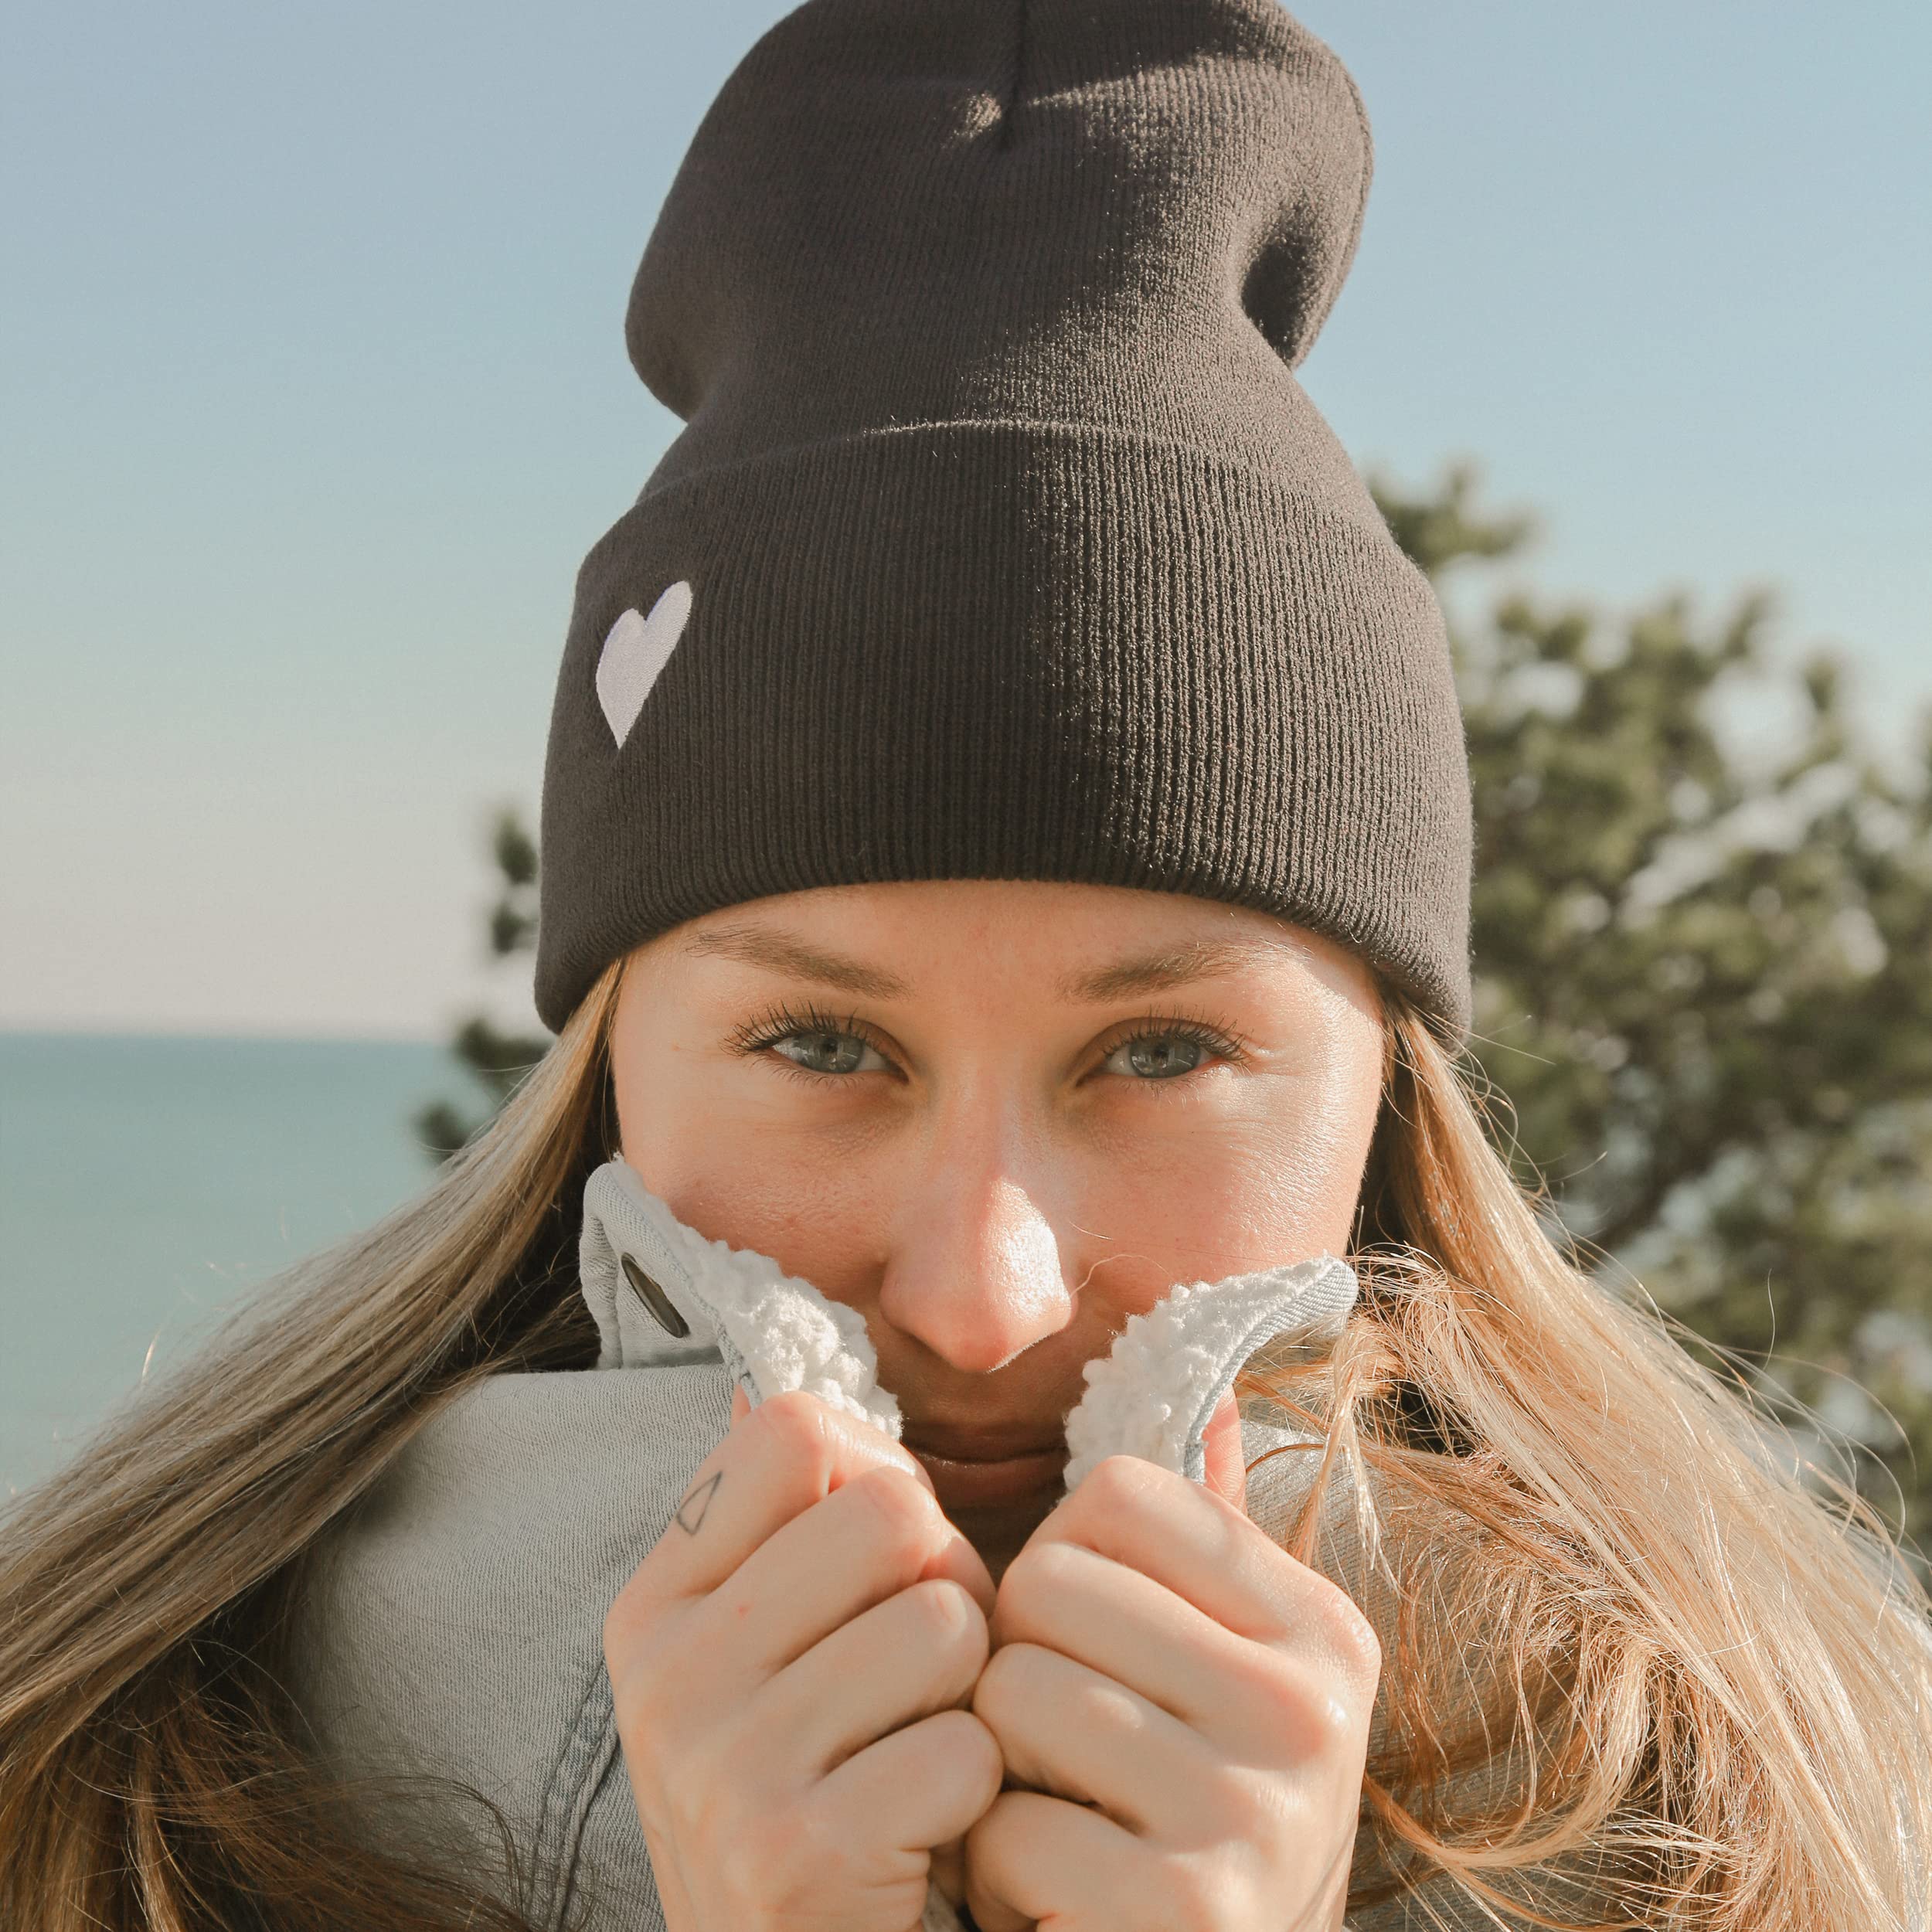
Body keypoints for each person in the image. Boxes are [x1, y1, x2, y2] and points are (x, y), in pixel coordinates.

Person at [3, 2, 1929, 1928]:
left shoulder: (1780, 1812)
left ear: (1386, 1082)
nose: (982, 1301)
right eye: (822, 1037)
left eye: (1162, 1047)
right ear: (608, 1067)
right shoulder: (121, 1783)